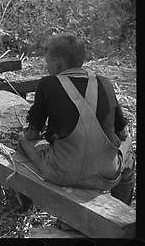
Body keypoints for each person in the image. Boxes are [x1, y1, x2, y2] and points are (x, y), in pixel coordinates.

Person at [17, 34, 135, 205]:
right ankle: (123, 208)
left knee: (22, 142)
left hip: (61, 173)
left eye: (48, 61)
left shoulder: (47, 84)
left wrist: (36, 137)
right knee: (129, 150)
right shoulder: (104, 83)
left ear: (58, 62)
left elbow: (32, 134)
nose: (47, 66)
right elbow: (123, 133)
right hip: (106, 176)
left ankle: (26, 203)